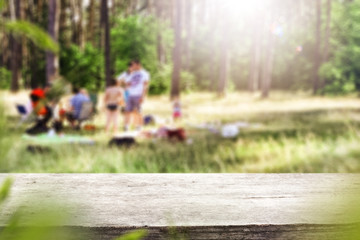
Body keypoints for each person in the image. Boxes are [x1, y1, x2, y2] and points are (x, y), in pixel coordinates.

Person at [124, 60, 150, 131]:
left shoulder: (145, 73)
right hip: (130, 94)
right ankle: (126, 126)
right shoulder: (132, 74)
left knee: (139, 111)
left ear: (138, 65)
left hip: (138, 95)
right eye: (132, 65)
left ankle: (139, 126)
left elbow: (146, 85)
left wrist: (143, 96)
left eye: (134, 65)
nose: (132, 66)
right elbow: (127, 83)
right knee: (127, 111)